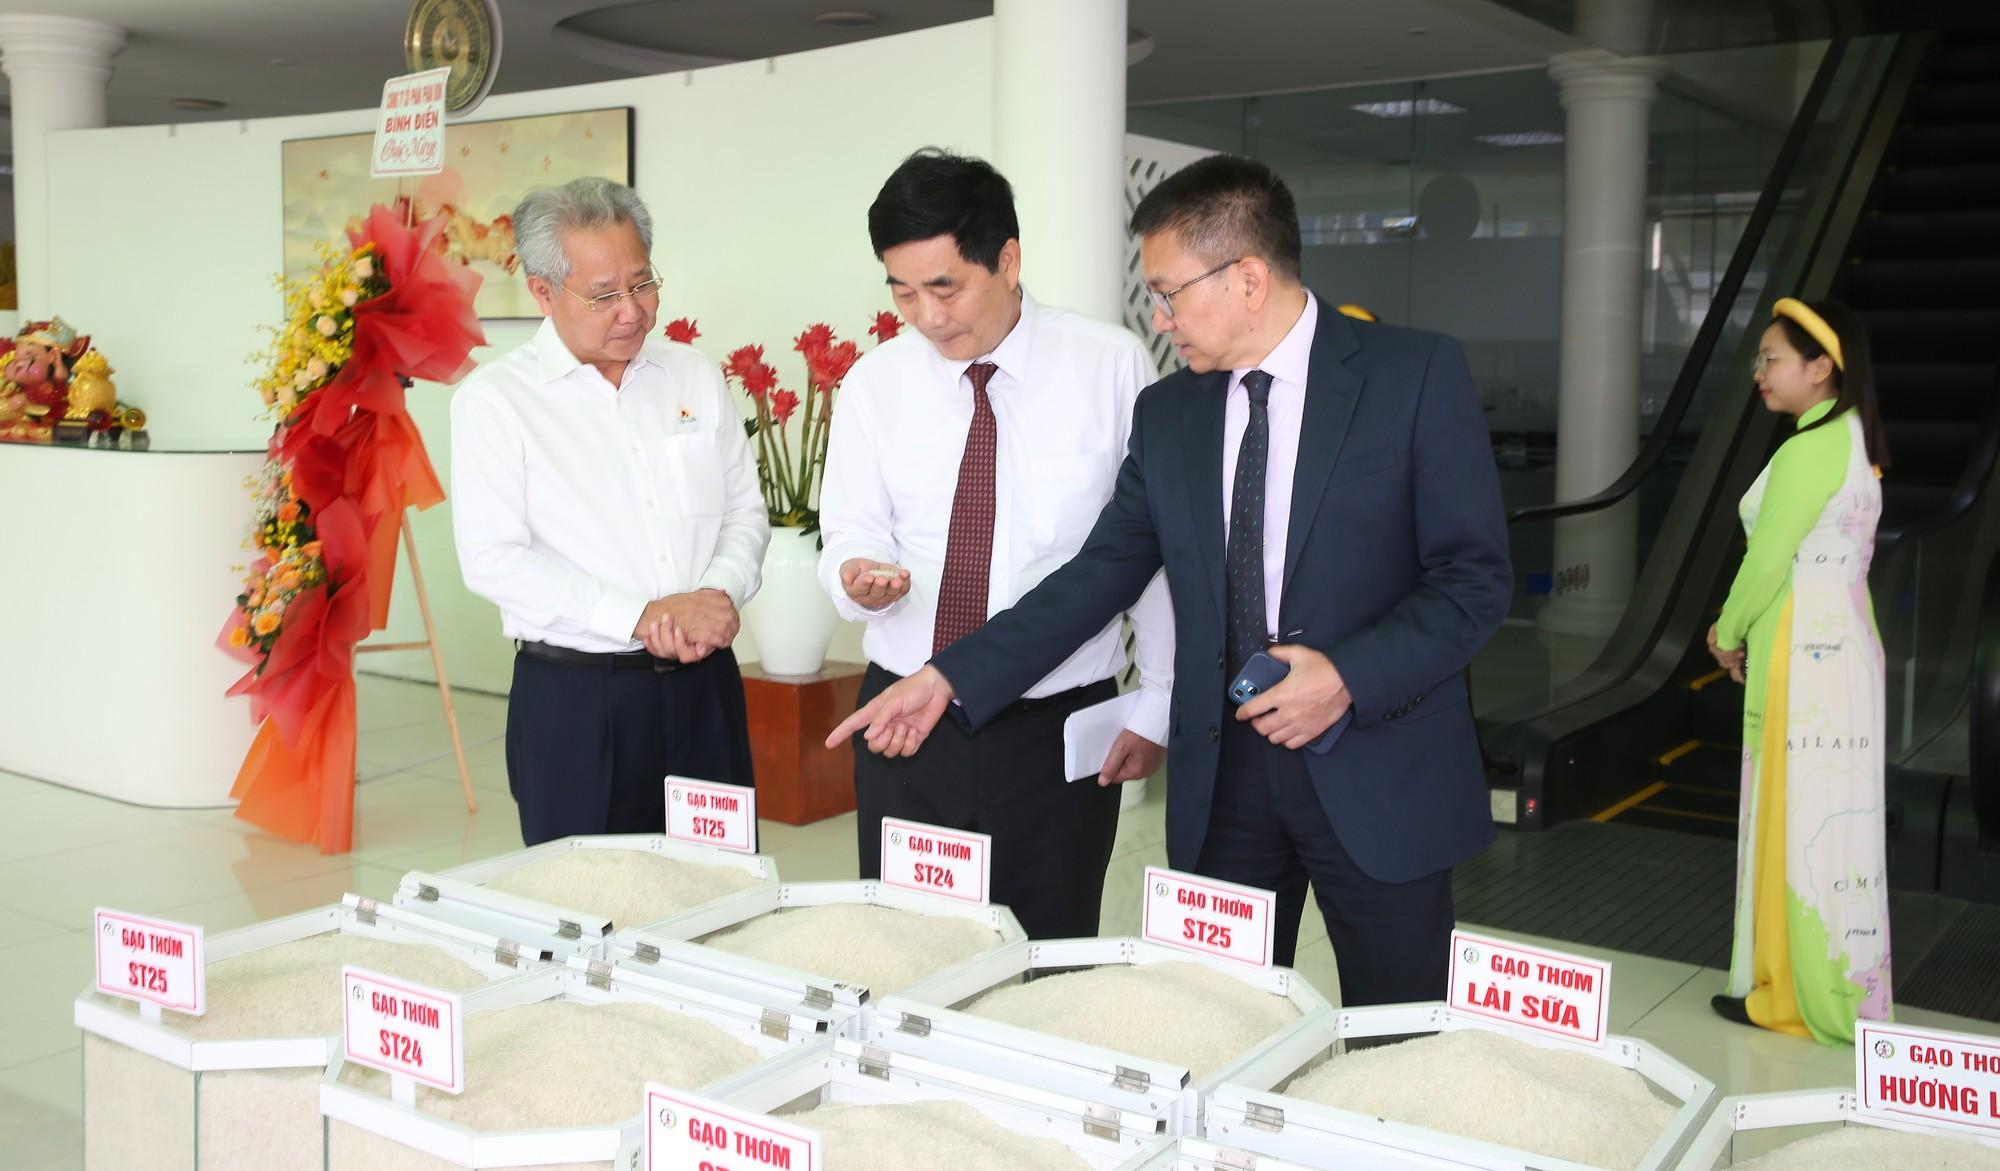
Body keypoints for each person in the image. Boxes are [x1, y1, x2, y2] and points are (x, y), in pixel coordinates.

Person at [828, 154, 1512, 1006]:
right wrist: (949, 676)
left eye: (1170, 293)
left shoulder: (1411, 376)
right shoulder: (1172, 412)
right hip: (1225, 782)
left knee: (1398, 1022)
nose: (1159, 317)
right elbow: (1098, 575)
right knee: (1212, 1015)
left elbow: (1473, 580)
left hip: (1379, 767)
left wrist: (1346, 676)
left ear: (1248, 279)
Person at [819, 148, 1173, 939]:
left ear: (1007, 261)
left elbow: (1145, 555)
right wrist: (855, 572)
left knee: (1047, 948)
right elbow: (849, 527)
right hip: (906, 721)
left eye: (945, 287)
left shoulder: (1108, 365)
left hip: (1053, 724)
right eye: (903, 291)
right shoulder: (876, 383)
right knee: (907, 948)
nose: (927, 315)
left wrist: (1158, 699)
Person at [451, 176, 770, 845]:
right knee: (585, 895)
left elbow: (744, 508)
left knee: (722, 880)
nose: (631, 311)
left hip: (704, 689)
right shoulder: (496, 402)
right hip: (578, 701)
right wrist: (640, 616)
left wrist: (717, 594)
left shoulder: (691, 374)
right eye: (603, 295)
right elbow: (493, 559)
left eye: (642, 283)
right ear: (543, 292)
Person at [1706, 297, 1890, 1044]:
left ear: (1821, 368)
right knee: (1832, 828)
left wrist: (1726, 632)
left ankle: (1784, 995)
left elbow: (1767, 558)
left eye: (1772, 358)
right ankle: (1835, 985)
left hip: (1802, 650)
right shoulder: (1853, 440)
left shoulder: (1807, 449)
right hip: (1847, 645)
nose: (1760, 371)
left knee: (1790, 821)